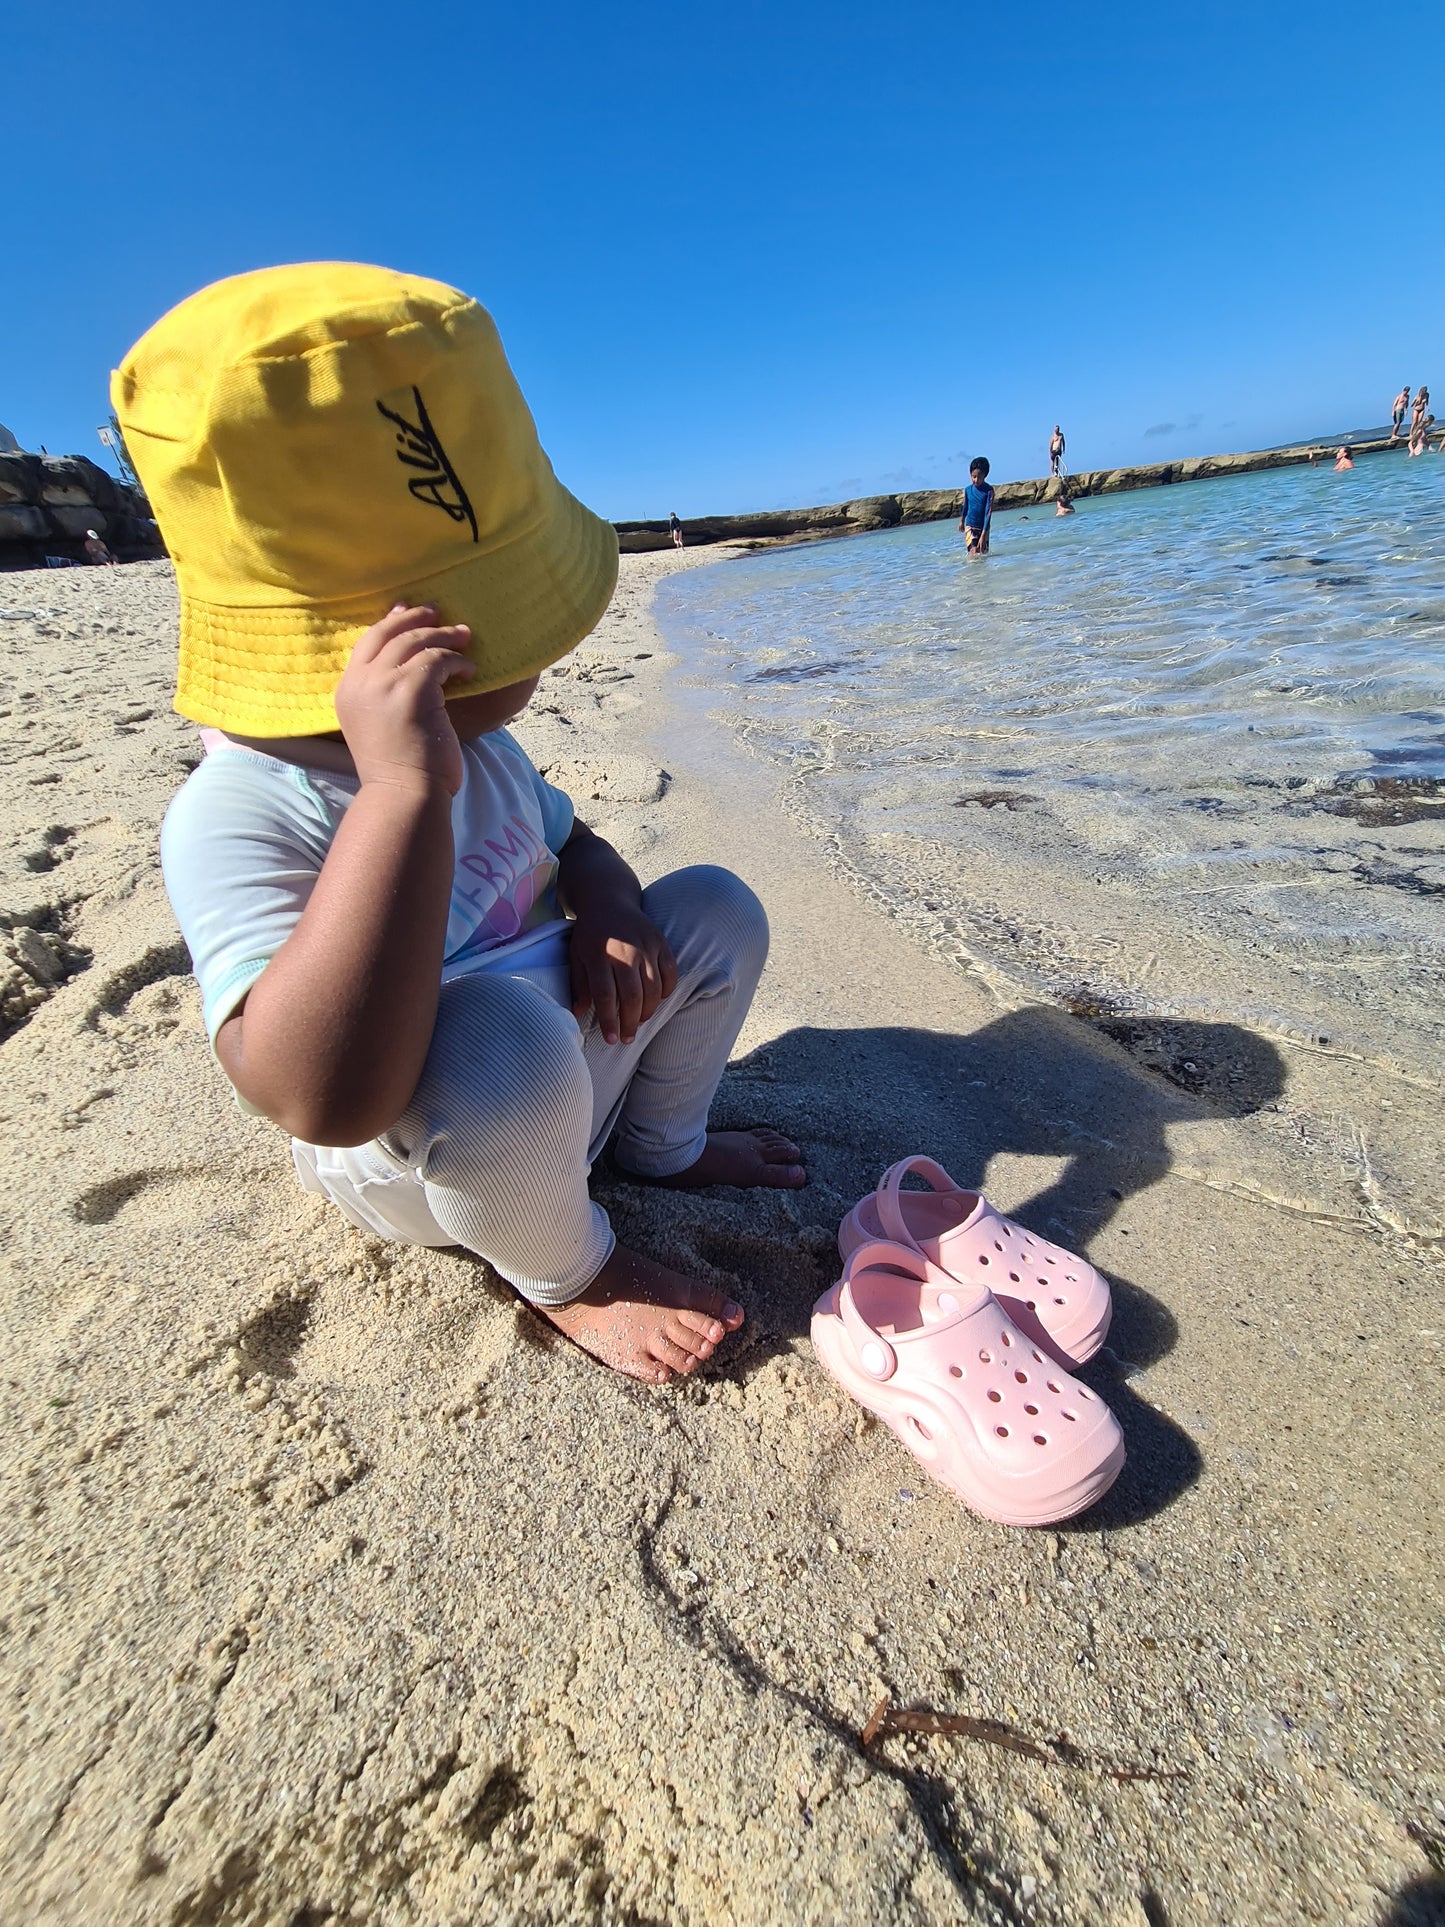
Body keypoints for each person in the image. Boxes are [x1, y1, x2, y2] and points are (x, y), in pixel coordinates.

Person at [115, 262, 807, 1389]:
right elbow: (321, 1098)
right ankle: (572, 1272)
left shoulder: (485, 751)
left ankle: (655, 1151)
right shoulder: (233, 814)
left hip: (569, 1069)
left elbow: (570, 840)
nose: (541, 658)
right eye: (517, 626)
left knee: (716, 906)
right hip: (437, 1145)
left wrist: (611, 908)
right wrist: (397, 800)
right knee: (497, 1044)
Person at [958, 457, 994, 554]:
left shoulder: (989, 491)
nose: (976, 480)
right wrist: (962, 520)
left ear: (985, 475)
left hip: (984, 528)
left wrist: (983, 534)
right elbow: (965, 506)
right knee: (973, 553)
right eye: (973, 477)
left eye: (979, 477)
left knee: (983, 554)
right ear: (970, 474)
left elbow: (988, 513)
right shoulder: (968, 490)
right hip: (970, 526)